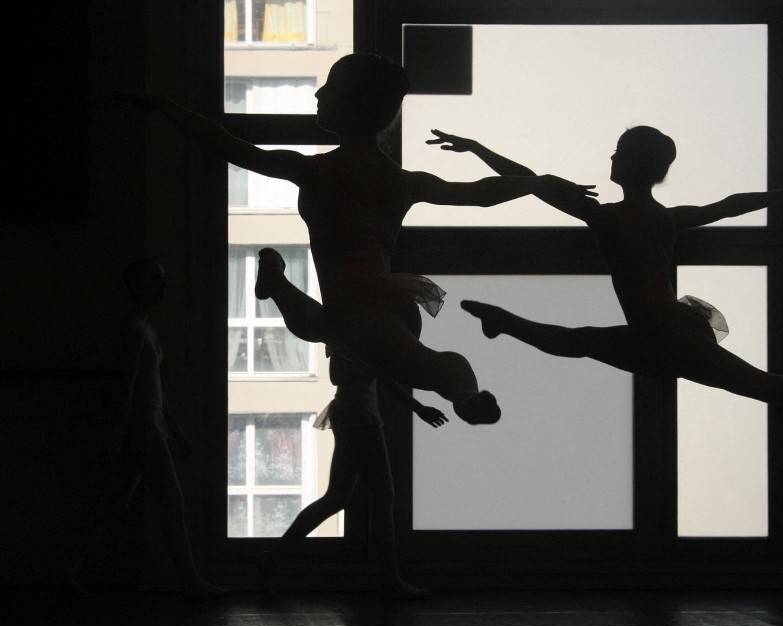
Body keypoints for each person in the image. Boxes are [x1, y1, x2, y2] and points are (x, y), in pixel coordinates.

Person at [116, 54, 592, 425]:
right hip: (388, 302)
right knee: (368, 347)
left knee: (359, 343)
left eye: (331, 88)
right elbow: (491, 194)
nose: (320, 93)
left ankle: (462, 389)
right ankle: (463, 390)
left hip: (358, 307)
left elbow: (230, 146)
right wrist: (540, 181)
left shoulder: (315, 170)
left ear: (355, 105)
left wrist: (164, 105)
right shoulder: (400, 180)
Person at [427, 127, 783, 451]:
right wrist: (782, 197)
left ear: (633, 165)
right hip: (662, 332)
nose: (611, 157)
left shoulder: (607, 216)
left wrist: (476, 147)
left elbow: (527, 181)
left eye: (618, 152)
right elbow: (727, 205)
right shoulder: (664, 218)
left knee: (578, 343)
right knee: (580, 343)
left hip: (664, 335)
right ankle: (504, 323)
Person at [257, 302, 445, 599]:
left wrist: (417, 406)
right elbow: (350, 374)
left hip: (354, 412)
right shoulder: (353, 333)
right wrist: (417, 406)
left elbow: (375, 376)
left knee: (338, 497)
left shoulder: (352, 332)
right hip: (359, 414)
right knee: (381, 496)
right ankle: (389, 579)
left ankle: (273, 559)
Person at [69, 259, 222, 596]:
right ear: (137, 286)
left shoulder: (143, 330)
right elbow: (128, 389)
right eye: (156, 280)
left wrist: (175, 431)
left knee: (114, 504)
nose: (163, 287)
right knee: (172, 501)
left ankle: (70, 571)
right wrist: (119, 435)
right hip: (143, 429)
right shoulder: (136, 332)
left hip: (146, 427)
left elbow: (151, 390)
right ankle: (191, 581)